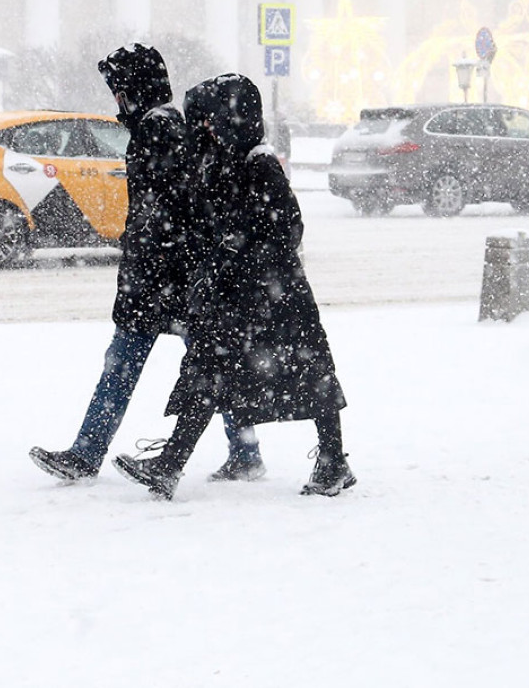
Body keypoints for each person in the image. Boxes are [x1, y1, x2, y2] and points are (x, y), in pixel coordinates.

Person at [114, 73, 353, 500]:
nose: (200, 127)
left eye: (207, 119)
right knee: (207, 371)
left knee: (309, 376)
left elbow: (288, 227)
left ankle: (333, 460)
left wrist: (241, 250)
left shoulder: (257, 161)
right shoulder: (217, 160)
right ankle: (171, 463)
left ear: (230, 118)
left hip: (274, 296)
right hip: (234, 295)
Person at [30, 44, 263, 483]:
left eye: (118, 89)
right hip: (169, 276)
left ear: (134, 89)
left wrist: (152, 257)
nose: (115, 100)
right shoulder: (163, 125)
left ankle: (86, 453)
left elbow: (174, 207)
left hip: (160, 279)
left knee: (129, 369)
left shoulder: (157, 129)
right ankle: (245, 452)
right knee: (210, 368)